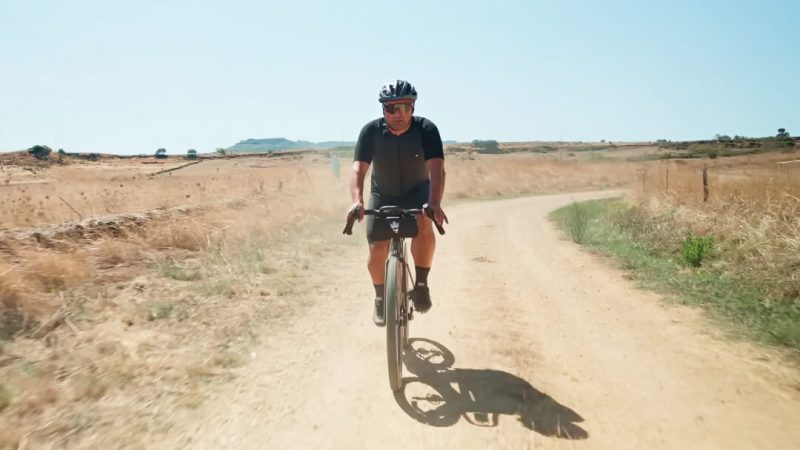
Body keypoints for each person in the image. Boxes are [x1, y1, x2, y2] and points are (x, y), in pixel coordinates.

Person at [347, 80, 448, 326]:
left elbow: (437, 171)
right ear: (383, 110)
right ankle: (381, 298)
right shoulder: (370, 132)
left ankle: (421, 285)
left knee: (424, 222)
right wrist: (357, 201)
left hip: (418, 192)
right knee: (376, 247)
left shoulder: (426, 130)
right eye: (391, 108)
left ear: (413, 107)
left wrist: (434, 203)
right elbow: (358, 171)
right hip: (383, 194)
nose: (398, 114)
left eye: (404, 107)